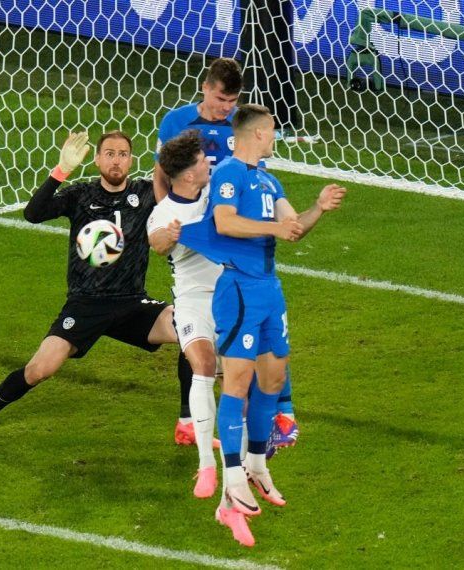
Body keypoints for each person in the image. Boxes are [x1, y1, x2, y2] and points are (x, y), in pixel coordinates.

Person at [179, 104, 346, 547]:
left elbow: (293, 228)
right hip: (239, 288)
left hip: (270, 288)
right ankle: (232, 477)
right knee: (238, 379)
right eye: (272, 130)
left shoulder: (270, 180)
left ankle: (256, 463)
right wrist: (274, 226)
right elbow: (225, 222)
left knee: (273, 377)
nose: (275, 136)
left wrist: (318, 209)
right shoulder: (230, 172)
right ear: (255, 134)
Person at [0, 130, 183, 446]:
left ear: (131, 159)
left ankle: (187, 423)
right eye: (110, 154)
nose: (116, 161)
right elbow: (33, 214)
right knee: (39, 369)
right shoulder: (80, 195)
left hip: (132, 302)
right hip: (85, 304)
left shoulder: (145, 193)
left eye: (123, 154)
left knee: (190, 329)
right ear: (99, 158)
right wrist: (61, 171)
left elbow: (183, 192)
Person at [154, 57, 299, 451]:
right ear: (206, 88)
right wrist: (169, 215)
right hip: (198, 236)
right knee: (202, 329)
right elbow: (161, 173)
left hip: (231, 236)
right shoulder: (177, 122)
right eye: (220, 99)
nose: (225, 108)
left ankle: (270, 416)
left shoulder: (240, 128)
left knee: (249, 324)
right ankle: (200, 419)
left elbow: (255, 178)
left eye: (232, 100)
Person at [148, 130, 224, 499]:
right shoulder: (163, 213)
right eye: (200, 161)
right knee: (204, 365)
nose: (207, 162)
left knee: (242, 372)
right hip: (193, 300)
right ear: (189, 175)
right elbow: (158, 245)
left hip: (231, 293)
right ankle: (205, 467)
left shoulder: (216, 192)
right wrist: (172, 236)